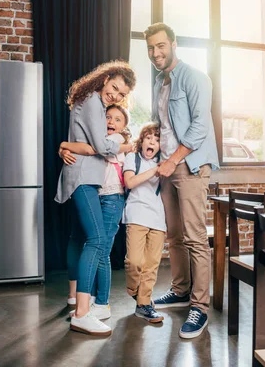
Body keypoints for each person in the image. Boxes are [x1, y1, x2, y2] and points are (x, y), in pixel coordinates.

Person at [145, 23, 219, 339]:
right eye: (150, 48)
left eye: (161, 45)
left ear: (173, 44)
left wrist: (173, 160)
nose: (156, 52)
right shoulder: (160, 83)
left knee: (195, 237)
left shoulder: (196, 78)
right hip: (167, 168)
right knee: (173, 236)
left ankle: (200, 307)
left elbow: (201, 125)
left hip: (189, 166)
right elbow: (161, 127)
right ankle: (180, 291)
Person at [55, 60, 135, 336]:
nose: (116, 96)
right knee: (98, 240)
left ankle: (75, 299)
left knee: (79, 237)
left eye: (122, 94)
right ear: (105, 79)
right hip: (84, 178)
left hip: (84, 176)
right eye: (114, 88)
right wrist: (123, 143)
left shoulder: (96, 104)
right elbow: (102, 146)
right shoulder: (91, 100)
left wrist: (69, 145)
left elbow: (93, 145)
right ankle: (82, 314)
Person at [122, 123, 165, 324]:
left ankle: (144, 305)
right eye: (149, 138)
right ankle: (134, 289)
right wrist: (156, 170)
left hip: (158, 219)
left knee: (151, 265)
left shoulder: (163, 162)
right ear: (142, 141)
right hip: (136, 215)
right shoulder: (132, 158)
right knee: (134, 262)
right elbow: (129, 182)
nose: (152, 142)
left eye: (157, 140)